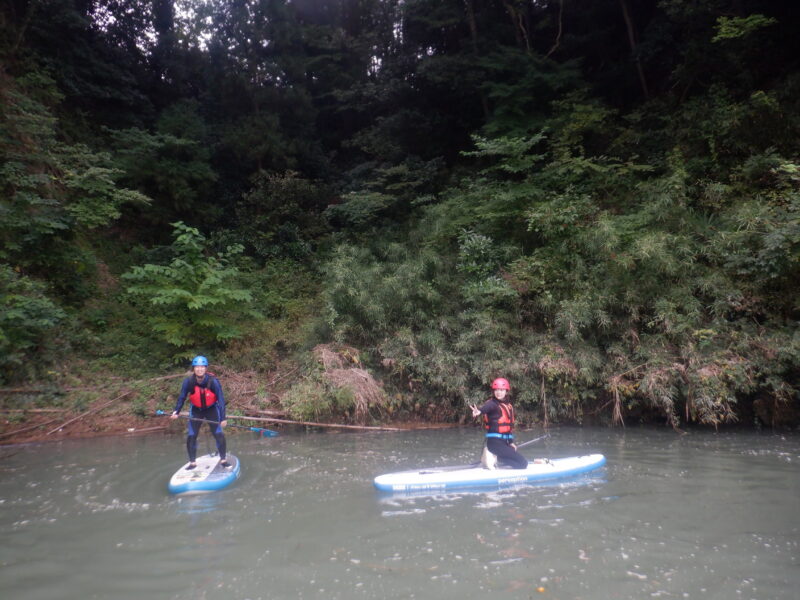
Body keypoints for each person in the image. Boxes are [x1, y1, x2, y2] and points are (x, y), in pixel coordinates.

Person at [170, 355, 229, 469]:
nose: (199, 369)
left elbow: (221, 400)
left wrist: (223, 418)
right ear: (194, 368)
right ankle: (192, 463)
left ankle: (223, 460)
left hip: (211, 409)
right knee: (191, 435)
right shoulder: (189, 382)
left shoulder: (213, 382)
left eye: (202, 367)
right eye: (197, 367)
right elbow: (182, 397)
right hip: (196, 410)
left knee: (218, 434)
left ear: (206, 368)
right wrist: (176, 411)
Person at [469, 377, 528, 469]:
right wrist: (479, 411)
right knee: (523, 464)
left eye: (501, 390)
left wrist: (511, 442)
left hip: (504, 443)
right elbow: (485, 409)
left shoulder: (507, 406)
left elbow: (508, 428)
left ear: (506, 391)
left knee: (516, 458)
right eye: (496, 390)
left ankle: (496, 459)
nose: (498, 392)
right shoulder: (492, 404)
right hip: (495, 444)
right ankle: (497, 458)